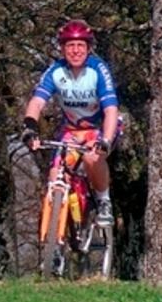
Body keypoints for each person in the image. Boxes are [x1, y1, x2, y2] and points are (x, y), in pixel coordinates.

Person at [21, 19, 120, 227]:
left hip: (100, 128)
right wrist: (30, 128)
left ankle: (103, 201)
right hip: (72, 131)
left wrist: (106, 141)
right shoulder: (55, 71)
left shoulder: (97, 69)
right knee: (55, 176)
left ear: (88, 48)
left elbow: (111, 109)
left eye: (80, 46)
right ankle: (54, 243)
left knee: (93, 158)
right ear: (63, 48)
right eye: (70, 46)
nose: (75, 51)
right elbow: (37, 102)